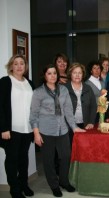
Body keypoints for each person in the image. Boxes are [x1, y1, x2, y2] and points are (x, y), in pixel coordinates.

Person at [30, 64, 85, 197]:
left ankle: (64, 181)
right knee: (48, 160)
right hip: (46, 131)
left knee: (66, 156)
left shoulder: (64, 90)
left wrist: (74, 127)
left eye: (54, 73)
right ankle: (54, 185)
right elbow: (34, 114)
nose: (52, 76)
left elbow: (68, 111)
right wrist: (36, 133)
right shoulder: (38, 92)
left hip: (63, 130)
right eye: (49, 73)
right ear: (44, 76)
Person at [0, 55, 35, 198]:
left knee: (23, 159)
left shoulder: (30, 83)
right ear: (11, 66)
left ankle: (24, 184)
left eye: (22, 63)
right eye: (16, 64)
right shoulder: (5, 81)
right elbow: (0, 106)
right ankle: (14, 189)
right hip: (12, 129)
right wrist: (3, 128)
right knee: (12, 160)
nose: (19, 66)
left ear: (25, 66)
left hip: (27, 129)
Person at [65, 62, 96, 144]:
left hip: (85, 125)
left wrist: (91, 122)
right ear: (70, 74)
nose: (77, 75)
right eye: (74, 73)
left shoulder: (88, 88)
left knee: (83, 150)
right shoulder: (64, 88)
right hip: (67, 126)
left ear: (83, 74)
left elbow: (93, 106)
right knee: (68, 152)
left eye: (79, 73)